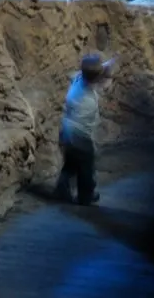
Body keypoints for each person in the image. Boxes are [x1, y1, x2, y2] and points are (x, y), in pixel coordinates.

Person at [54, 54, 116, 205]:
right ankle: (86, 196)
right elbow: (101, 79)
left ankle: (61, 190)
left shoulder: (78, 79)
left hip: (67, 132)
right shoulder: (87, 99)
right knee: (86, 167)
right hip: (80, 136)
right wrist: (108, 68)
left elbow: (93, 73)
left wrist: (110, 62)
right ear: (96, 78)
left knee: (71, 163)